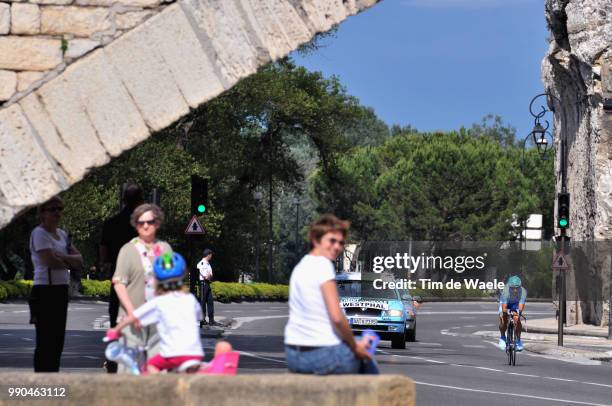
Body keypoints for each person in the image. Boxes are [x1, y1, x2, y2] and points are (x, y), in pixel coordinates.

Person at [106, 252, 232, 374]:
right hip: (195, 353)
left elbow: (133, 317)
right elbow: (199, 316)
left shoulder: (159, 302)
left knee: (151, 365)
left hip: (172, 354)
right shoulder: (190, 299)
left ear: (156, 280)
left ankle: (163, 387)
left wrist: (115, 330)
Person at [284, 214, 378, 375]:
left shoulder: (301, 266)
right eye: (332, 241)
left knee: (358, 344)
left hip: (293, 354)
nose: (337, 247)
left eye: (341, 243)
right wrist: (355, 347)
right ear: (315, 239)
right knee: (366, 356)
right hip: (320, 355)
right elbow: (336, 317)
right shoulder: (323, 265)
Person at [111, 203, 172, 373]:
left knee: (158, 366)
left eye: (150, 222)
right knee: (129, 367)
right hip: (131, 317)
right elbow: (119, 283)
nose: (145, 226)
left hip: (158, 316)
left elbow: (171, 281)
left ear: (157, 223)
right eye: (140, 222)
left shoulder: (165, 249)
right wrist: (132, 312)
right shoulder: (128, 250)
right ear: (135, 225)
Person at [28, 196, 83, 372]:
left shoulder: (63, 235)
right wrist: (69, 262)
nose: (58, 213)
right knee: (45, 340)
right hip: (44, 291)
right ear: (43, 213)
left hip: (60, 290)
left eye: (60, 209)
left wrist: (64, 258)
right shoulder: (39, 233)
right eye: (53, 209)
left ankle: (52, 378)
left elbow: (80, 260)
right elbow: (50, 261)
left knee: (58, 340)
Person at [100, 184, 144, 373]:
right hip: (139, 280)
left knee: (115, 320)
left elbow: (103, 251)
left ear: (124, 200)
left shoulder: (111, 223)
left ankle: (113, 359)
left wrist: (104, 266)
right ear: (141, 201)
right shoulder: (143, 225)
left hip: (118, 279)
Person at [498, 275, 527, 351]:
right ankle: (502, 337)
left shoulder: (523, 292)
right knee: (503, 318)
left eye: (517, 288)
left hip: (516, 303)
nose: (515, 290)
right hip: (506, 302)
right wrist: (505, 313)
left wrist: (517, 313)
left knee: (517, 318)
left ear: (520, 286)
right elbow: (504, 308)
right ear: (509, 287)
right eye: (512, 288)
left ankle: (518, 340)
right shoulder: (505, 291)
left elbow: (520, 308)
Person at [196, 248, 219, 326]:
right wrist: (209, 275)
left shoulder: (208, 263)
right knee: (202, 302)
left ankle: (211, 320)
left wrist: (209, 275)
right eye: (211, 255)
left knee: (210, 302)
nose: (211, 256)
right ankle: (202, 320)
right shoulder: (201, 263)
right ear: (208, 255)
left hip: (208, 284)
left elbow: (211, 275)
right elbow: (206, 276)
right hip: (203, 284)